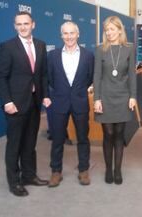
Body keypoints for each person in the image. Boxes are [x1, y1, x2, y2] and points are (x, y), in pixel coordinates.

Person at [0, 11, 49, 197]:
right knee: (15, 145)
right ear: (15, 26)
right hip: (15, 105)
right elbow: (1, 77)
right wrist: (7, 102)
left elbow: (42, 75)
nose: (23, 27)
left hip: (34, 104)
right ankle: (14, 182)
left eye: (26, 23)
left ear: (33, 24)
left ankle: (29, 176)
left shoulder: (41, 45)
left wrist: (45, 96)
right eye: (19, 24)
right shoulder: (7, 46)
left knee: (30, 143)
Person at [45, 21, 94, 187]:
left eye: (72, 33)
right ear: (61, 36)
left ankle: (83, 170)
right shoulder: (52, 56)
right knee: (57, 139)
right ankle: (56, 172)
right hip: (59, 102)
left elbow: (90, 78)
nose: (69, 36)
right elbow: (49, 78)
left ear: (78, 34)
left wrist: (79, 91)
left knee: (82, 138)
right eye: (65, 33)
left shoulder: (88, 55)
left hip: (80, 102)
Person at [93, 16, 137, 185]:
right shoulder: (100, 49)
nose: (109, 33)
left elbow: (132, 75)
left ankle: (117, 170)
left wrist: (133, 96)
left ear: (120, 30)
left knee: (119, 134)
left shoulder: (129, 49)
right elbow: (97, 75)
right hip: (105, 96)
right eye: (107, 30)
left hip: (123, 96)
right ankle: (108, 168)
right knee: (108, 134)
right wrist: (96, 98)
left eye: (112, 29)